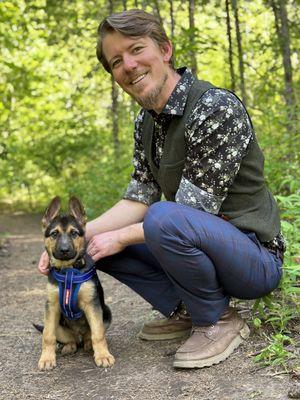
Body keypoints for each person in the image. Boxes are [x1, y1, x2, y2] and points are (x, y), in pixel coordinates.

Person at [38, 9, 285, 369]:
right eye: (116, 61)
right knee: (95, 244)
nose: (129, 65)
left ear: (165, 50)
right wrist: (75, 241)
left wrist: (120, 237)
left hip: (253, 256)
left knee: (160, 218)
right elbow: (139, 196)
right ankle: (186, 308)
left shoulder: (214, 107)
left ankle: (217, 318)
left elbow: (191, 210)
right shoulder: (146, 121)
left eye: (137, 49)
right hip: (202, 242)